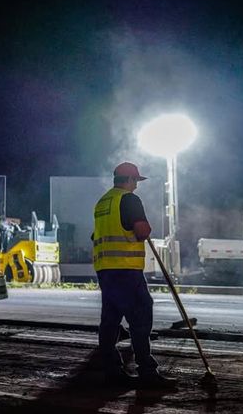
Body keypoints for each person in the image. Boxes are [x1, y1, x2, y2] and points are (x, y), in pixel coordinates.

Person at [93, 161, 175, 388]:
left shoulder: (102, 203)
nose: (137, 186)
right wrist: (146, 229)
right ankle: (147, 372)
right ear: (129, 180)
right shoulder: (129, 199)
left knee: (109, 321)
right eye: (136, 181)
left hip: (105, 270)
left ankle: (111, 370)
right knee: (141, 316)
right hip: (126, 270)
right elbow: (141, 231)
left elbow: (96, 235)